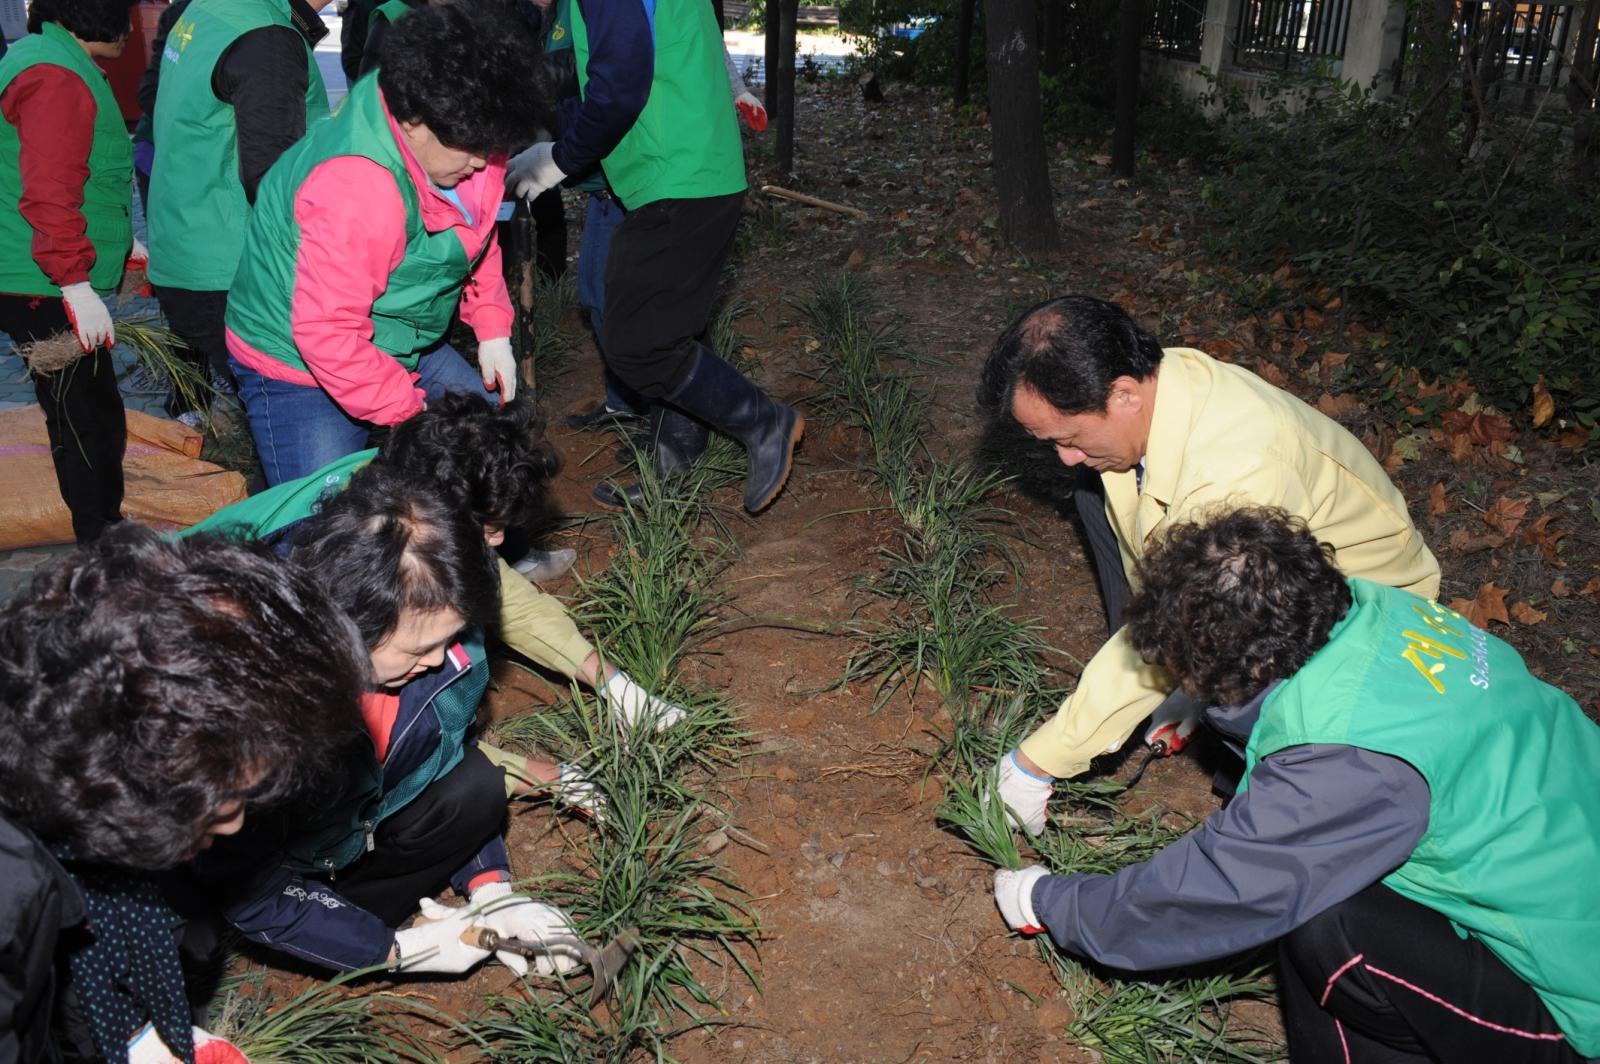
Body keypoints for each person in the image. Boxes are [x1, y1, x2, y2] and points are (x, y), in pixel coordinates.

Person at [993, 507, 1600, 1064]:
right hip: (1561, 866)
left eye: (1185, 667)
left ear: (1249, 667)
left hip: (1576, 1003)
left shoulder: (1349, 761)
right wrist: (1205, 700)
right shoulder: (1378, 609)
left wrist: (1053, 902)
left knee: (1330, 928)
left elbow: (1223, 888)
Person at [977, 295, 1441, 833]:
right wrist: (1175, 672)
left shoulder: (1238, 471)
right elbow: (1160, 547)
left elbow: (1192, 601)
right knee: (1092, 493)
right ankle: (1175, 681)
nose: (1065, 457)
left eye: (1071, 437)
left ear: (1123, 393)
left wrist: (1038, 762)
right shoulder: (1164, 388)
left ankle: (1267, 796)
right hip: (1259, 574)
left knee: (1241, 709)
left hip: (1367, 615)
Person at [0, 525, 367, 1062]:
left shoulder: (61, 785)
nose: (236, 824)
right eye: (226, 798)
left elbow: (78, 963)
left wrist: (136, 1040)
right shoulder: (13, 897)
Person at [198, 467, 584, 978]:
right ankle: (349, 930)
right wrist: (400, 951)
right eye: (420, 648)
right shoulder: (261, 715)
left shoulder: (434, 650)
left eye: (454, 636)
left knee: (475, 784)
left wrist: (492, 891)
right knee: (229, 920)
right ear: (349, 625)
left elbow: (448, 759)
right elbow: (255, 892)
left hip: (360, 837)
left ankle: (385, 917)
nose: (439, 660)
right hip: (292, 877)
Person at [187, 392, 690, 740]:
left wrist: (612, 683)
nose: (497, 541)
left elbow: (507, 596)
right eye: (489, 526)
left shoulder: (404, 504)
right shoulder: (341, 563)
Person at [223, 1, 541, 486]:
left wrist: (492, 324)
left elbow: (475, 231)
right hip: (297, 357)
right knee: (325, 523)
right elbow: (328, 333)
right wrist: (412, 416)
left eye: (491, 148)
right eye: (472, 150)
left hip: (395, 327)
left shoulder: (464, 128)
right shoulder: (357, 184)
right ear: (412, 120)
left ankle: (490, 550)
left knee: (490, 448)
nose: (481, 164)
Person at [507, 0, 802, 515]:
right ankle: (672, 464)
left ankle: (761, 420)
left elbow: (620, 87)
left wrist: (559, 158)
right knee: (668, 328)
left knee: (636, 342)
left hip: (676, 176)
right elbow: (620, 71)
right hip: (688, 170)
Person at [144, 0, 330, 426]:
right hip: (235, 270)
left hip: (189, 248)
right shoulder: (265, 35)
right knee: (290, 422)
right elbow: (273, 178)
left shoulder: (214, 9)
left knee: (265, 419)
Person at [0, 0, 137, 544]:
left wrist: (124, 241)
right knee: (82, 420)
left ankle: (106, 526)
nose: (129, 28)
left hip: (46, 272)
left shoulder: (56, 59)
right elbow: (51, 191)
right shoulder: (56, 76)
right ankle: (100, 540)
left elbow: (83, 176)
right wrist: (74, 282)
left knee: (94, 408)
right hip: (42, 281)